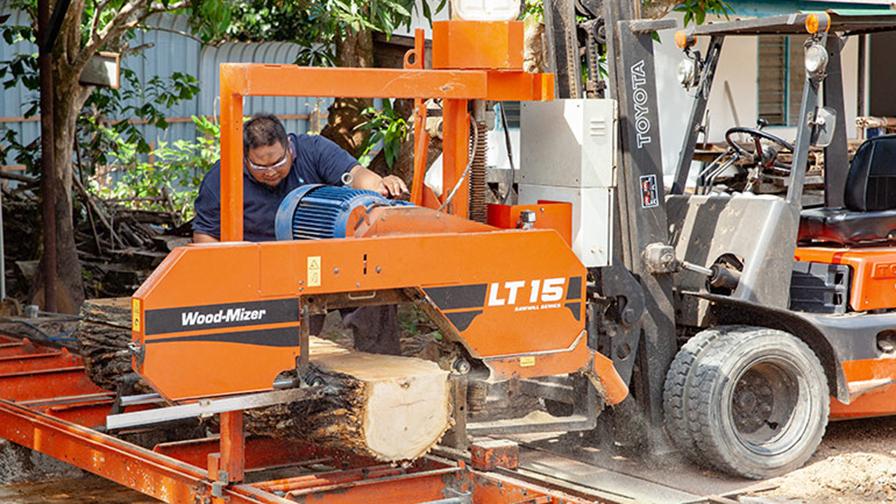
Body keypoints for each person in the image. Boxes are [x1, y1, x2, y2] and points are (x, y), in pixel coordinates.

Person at [193, 113, 406, 355]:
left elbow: (356, 174)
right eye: (260, 167)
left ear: (289, 148)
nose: (271, 172)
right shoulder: (220, 178)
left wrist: (379, 187)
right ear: (244, 159)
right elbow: (205, 237)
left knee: (374, 296)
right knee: (289, 344)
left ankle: (384, 363)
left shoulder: (314, 150)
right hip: (266, 271)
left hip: (326, 257)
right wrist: (230, 278)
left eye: (278, 163)